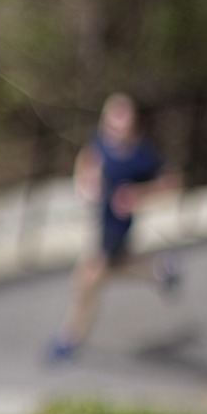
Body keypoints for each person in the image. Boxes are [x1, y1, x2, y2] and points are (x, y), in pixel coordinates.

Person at [47, 93, 182, 362]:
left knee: (88, 277)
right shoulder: (101, 143)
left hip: (118, 225)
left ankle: (70, 337)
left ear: (133, 123)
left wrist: (138, 194)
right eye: (111, 121)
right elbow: (87, 162)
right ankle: (159, 271)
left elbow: (172, 183)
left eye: (122, 121)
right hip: (99, 221)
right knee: (113, 270)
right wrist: (85, 183)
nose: (116, 127)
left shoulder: (142, 155)